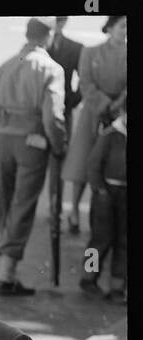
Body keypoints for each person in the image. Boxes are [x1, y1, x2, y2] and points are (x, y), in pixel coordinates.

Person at [0, 16, 66, 296]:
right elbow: (52, 116)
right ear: (48, 37)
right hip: (32, 142)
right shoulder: (51, 69)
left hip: (3, 140)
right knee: (23, 205)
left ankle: (7, 268)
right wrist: (59, 145)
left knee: (7, 203)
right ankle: (7, 272)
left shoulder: (4, 67)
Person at [64, 15, 128, 237]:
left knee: (114, 166)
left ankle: (107, 219)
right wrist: (104, 105)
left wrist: (118, 105)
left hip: (121, 114)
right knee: (83, 164)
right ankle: (73, 211)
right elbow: (85, 84)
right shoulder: (90, 52)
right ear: (110, 27)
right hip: (92, 114)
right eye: (121, 25)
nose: (125, 30)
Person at [79, 107, 127, 302]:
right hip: (105, 195)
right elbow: (93, 165)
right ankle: (88, 278)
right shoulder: (109, 135)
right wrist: (100, 190)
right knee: (100, 239)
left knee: (124, 241)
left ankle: (117, 286)